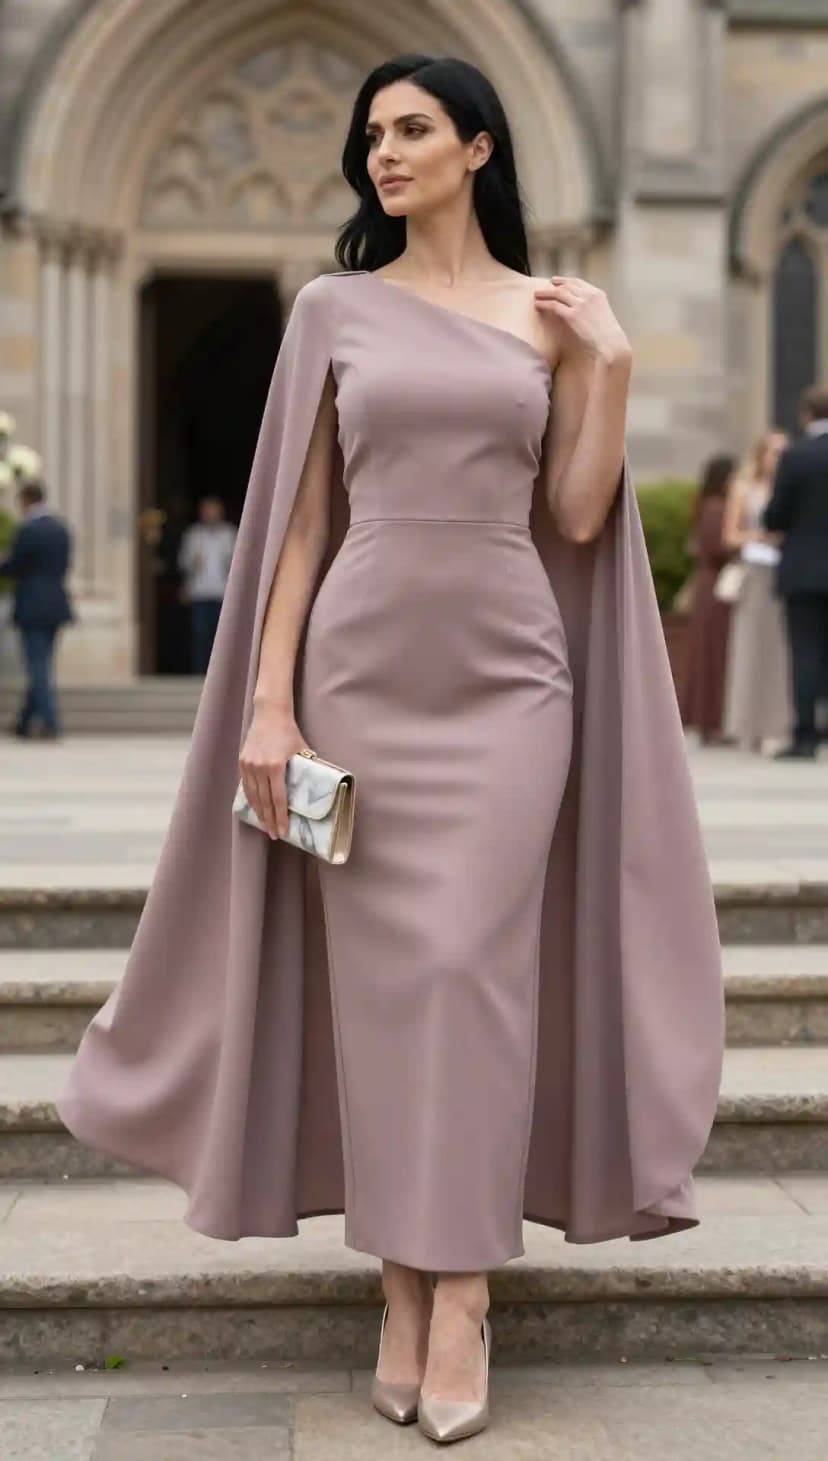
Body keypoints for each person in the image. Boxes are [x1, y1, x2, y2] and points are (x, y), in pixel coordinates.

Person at [55, 55, 723, 1445]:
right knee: (386, 995)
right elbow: (299, 528)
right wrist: (268, 704)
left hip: (512, 686)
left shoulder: (546, 319)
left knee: (470, 975)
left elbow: (586, 518)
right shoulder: (332, 309)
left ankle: (463, 1289)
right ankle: (406, 1289)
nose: (385, 153)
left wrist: (608, 359)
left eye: (414, 129)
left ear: (480, 146)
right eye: (374, 135)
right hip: (358, 680)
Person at [763, 385, 828, 759]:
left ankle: (806, 737)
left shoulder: (796, 456)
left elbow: (775, 516)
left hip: (803, 570)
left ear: (807, 415)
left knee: (805, 653)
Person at [721, 430, 792, 752]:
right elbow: (730, 535)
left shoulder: (792, 488)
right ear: (761, 454)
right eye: (773, 452)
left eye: (783, 453)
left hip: (782, 572)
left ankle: (776, 725)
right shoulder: (743, 488)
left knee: (779, 653)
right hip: (754, 573)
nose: (778, 459)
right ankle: (744, 724)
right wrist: (759, 538)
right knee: (749, 649)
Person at [0, 481, 73, 740]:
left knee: (37, 667)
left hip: (32, 604)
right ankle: (23, 722)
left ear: (27, 500)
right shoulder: (61, 528)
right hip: (56, 603)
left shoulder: (29, 529)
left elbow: (15, 566)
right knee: (41, 664)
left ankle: (51, 722)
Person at [678, 455, 737, 744]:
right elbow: (717, 547)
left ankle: (711, 721)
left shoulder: (707, 504)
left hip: (710, 585)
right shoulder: (716, 507)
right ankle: (710, 722)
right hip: (715, 588)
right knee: (713, 654)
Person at [177, 495, 237, 673]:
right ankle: (200, 672)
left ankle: (223, 674)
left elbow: (240, 563)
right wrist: (193, 562)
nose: (210, 514)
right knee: (201, 635)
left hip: (223, 593)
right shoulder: (193, 534)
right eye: (206, 511)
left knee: (223, 637)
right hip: (200, 593)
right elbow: (183, 563)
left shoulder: (229, 533)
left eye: (213, 510)